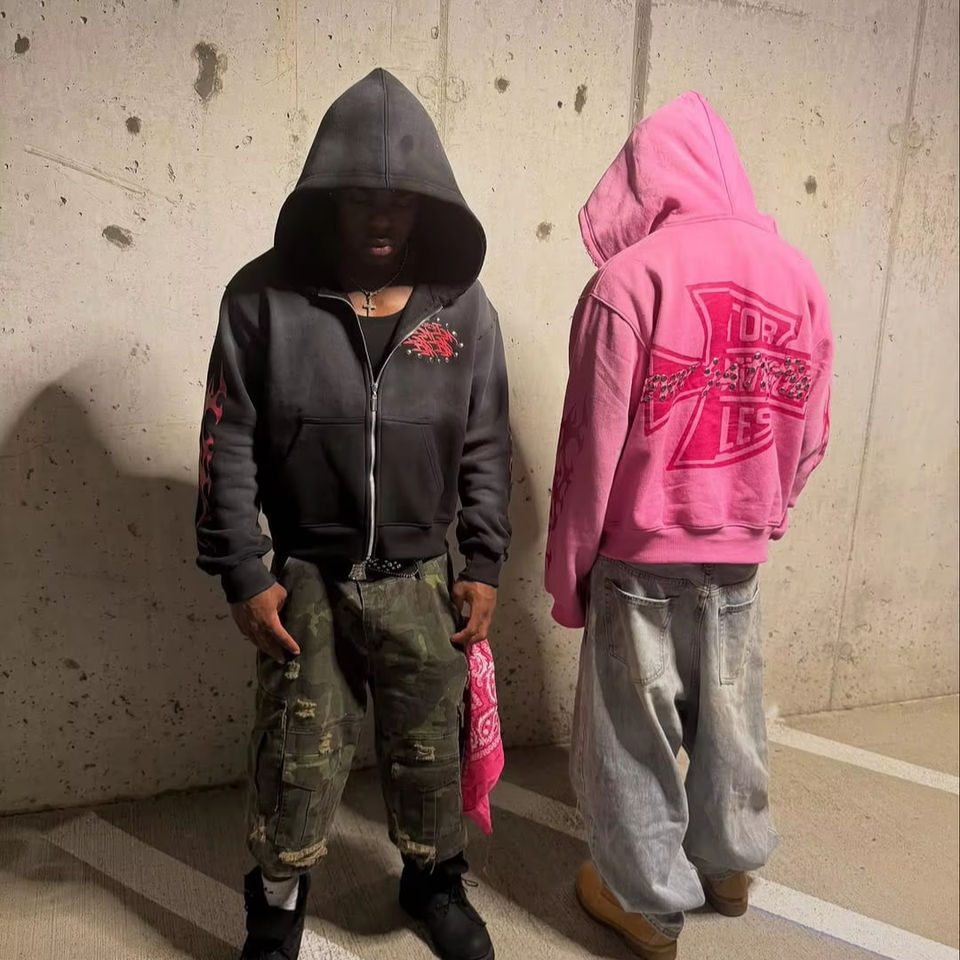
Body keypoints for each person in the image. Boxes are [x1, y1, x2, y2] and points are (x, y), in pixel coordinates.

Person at [196, 68, 510, 960]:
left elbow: (486, 440)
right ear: (329, 196)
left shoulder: (462, 307)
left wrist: (484, 560)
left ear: (426, 202)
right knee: (295, 760)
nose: (382, 217)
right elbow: (227, 436)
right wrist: (242, 569)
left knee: (430, 751)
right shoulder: (259, 298)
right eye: (363, 197)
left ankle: (433, 882)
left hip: (423, 580)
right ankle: (276, 909)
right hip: (307, 579)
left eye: (400, 200)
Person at [545, 92, 832, 959]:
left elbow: (588, 450)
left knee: (632, 737)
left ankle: (642, 903)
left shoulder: (628, 283)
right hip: (739, 553)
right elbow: (812, 429)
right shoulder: (797, 276)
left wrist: (568, 576)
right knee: (731, 717)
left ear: (643, 181)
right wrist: (760, 510)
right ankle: (730, 867)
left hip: (638, 556)